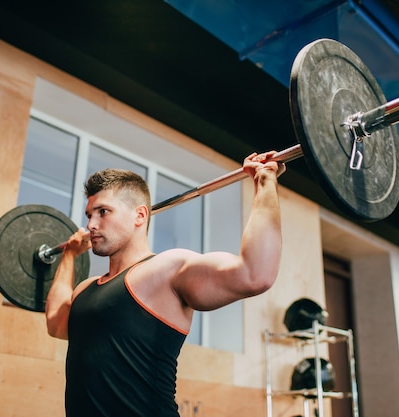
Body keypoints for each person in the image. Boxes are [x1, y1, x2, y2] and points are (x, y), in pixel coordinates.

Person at [45, 151, 286, 417]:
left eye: (103, 212)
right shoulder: (85, 289)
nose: (91, 224)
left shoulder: (165, 270)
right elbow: (56, 323)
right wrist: (68, 255)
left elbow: (255, 274)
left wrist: (265, 181)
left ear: (139, 216)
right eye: (90, 214)